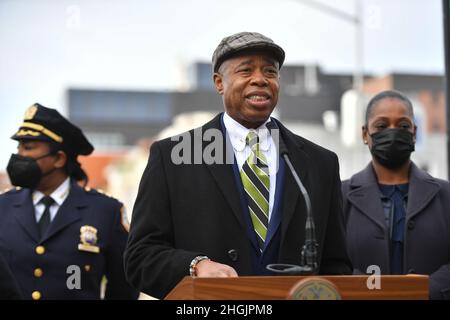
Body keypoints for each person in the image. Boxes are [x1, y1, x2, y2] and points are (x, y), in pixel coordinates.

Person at [124, 31, 352, 299]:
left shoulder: (319, 163)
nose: (260, 79)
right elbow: (140, 257)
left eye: (270, 71)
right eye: (246, 71)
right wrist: (195, 266)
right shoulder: (172, 156)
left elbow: (336, 266)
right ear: (219, 83)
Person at [0, 103, 139, 300]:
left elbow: (124, 287)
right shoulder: (3, 207)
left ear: (59, 158)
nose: (19, 156)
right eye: (19, 147)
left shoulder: (106, 211)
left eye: (28, 147)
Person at [342, 90, 450, 300]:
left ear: (414, 132)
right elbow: (331, 261)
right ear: (365, 134)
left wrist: (425, 290)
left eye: (403, 126)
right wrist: (371, 291)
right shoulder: (339, 196)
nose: (392, 132)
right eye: (381, 126)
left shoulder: (445, 195)